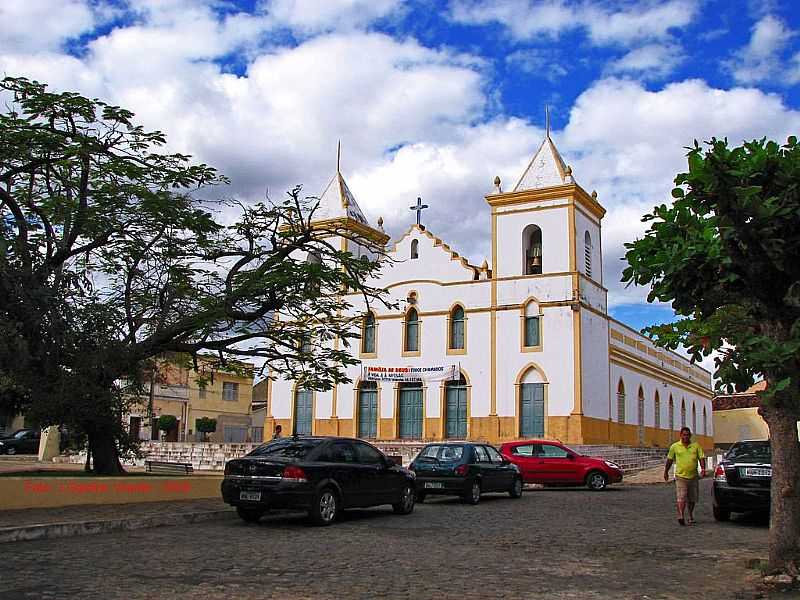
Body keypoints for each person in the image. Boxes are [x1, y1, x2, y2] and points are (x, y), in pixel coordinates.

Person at [664, 426, 706, 526]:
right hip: (680, 476)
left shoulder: (696, 446)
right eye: (684, 435)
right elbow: (669, 460)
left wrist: (703, 469)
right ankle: (681, 516)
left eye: (687, 435)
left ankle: (690, 515)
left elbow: (701, 458)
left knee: (692, 498)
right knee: (681, 496)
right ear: (680, 435)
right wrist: (666, 471)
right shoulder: (675, 446)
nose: (686, 437)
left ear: (690, 436)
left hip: (693, 476)